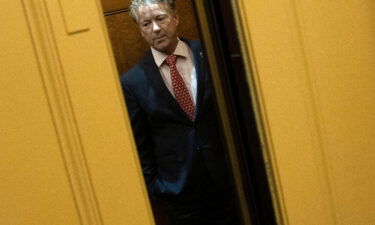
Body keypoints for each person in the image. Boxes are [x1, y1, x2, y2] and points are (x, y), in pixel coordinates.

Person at [121, 1, 241, 224]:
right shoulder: (132, 82)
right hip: (179, 195)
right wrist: (156, 189)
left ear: (175, 18)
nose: (155, 28)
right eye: (146, 23)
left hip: (229, 182)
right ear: (140, 30)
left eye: (160, 18)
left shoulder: (211, 53)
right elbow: (140, 145)